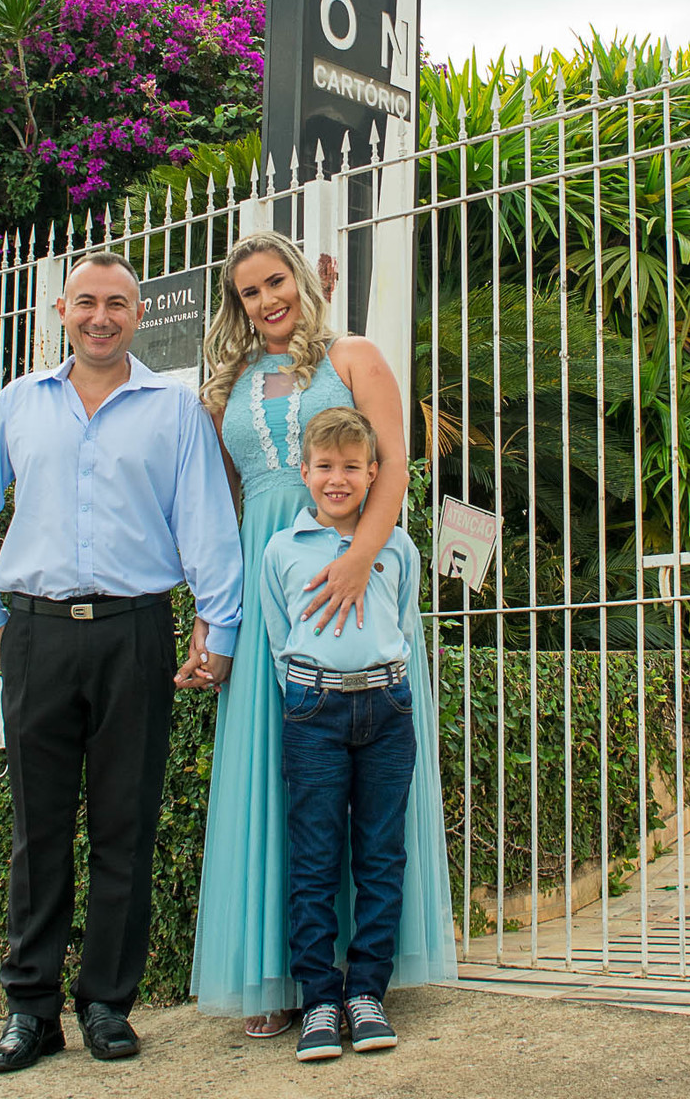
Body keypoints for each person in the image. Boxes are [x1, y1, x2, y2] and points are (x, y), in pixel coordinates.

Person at [0, 252, 243, 1075]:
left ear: (139, 316)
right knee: (37, 834)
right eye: (87, 303)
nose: (101, 317)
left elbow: (207, 525)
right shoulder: (18, 403)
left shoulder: (174, 409)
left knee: (125, 828)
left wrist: (217, 630)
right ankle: (29, 1012)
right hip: (33, 637)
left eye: (118, 304)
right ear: (61, 310)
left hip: (134, 633)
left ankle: (108, 1005)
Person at [185, 231, 455, 1033]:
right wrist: (215, 614)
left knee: (364, 790)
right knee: (276, 775)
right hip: (272, 580)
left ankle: (364, 977)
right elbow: (223, 512)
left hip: (353, 574)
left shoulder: (355, 356)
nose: (266, 302)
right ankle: (283, 979)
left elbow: (395, 466)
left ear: (302, 279)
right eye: (248, 293)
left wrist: (356, 562)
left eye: (276, 282)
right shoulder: (227, 382)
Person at [261, 406, 424, 1061]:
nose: (337, 479)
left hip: (387, 709)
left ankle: (367, 993)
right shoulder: (283, 551)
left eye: (351, 467)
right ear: (305, 472)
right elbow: (278, 636)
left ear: (373, 473)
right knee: (315, 858)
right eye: (325, 467)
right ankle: (321, 1000)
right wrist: (304, 688)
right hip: (313, 712)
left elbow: (405, 622)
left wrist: (387, 676)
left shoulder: (398, 547)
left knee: (381, 854)